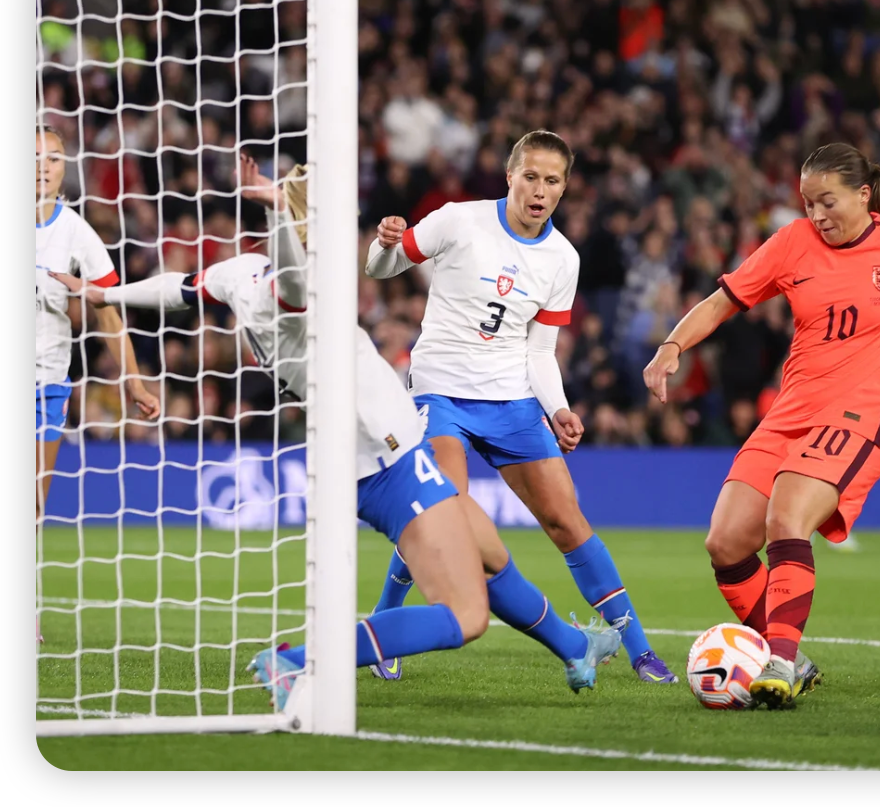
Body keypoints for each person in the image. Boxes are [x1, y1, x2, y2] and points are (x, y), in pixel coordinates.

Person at [53, 154, 625, 709]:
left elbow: (179, 287)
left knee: (490, 553)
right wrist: (279, 209)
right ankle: (300, 661)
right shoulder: (297, 291)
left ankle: (577, 649)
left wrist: (105, 294)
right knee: (466, 615)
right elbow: (291, 280)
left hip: (375, 453)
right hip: (389, 459)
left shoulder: (241, 274)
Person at [644, 141, 880, 710]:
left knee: (786, 517)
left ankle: (779, 663)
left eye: (827, 201)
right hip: (791, 412)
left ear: (863, 194)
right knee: (725, 543)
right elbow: (720, 302)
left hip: (860, 412)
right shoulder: (792, 242)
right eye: (808, 203)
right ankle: (794, 660)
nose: (817, 215)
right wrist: (671, 346)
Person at [366, 129, 678, 684]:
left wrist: (558, 409)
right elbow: (380, 268)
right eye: (530, 176)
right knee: (442, 515)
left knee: (567, 522)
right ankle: (384, 628)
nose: (539, 190)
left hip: (512, 403)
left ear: (564, 188)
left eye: (551, 181)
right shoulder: (458, 219)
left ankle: (639, 650)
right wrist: (387, 243)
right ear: (510, 176)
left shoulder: (562, 259)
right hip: (442, 396)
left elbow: (539, 350)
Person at [36, 123, 160, 643]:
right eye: (35, 157)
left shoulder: (77, 233)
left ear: (65, 167)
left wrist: (133, 382)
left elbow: (108, 313)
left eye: (53, 158)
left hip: (47, 382)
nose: (43, 166)